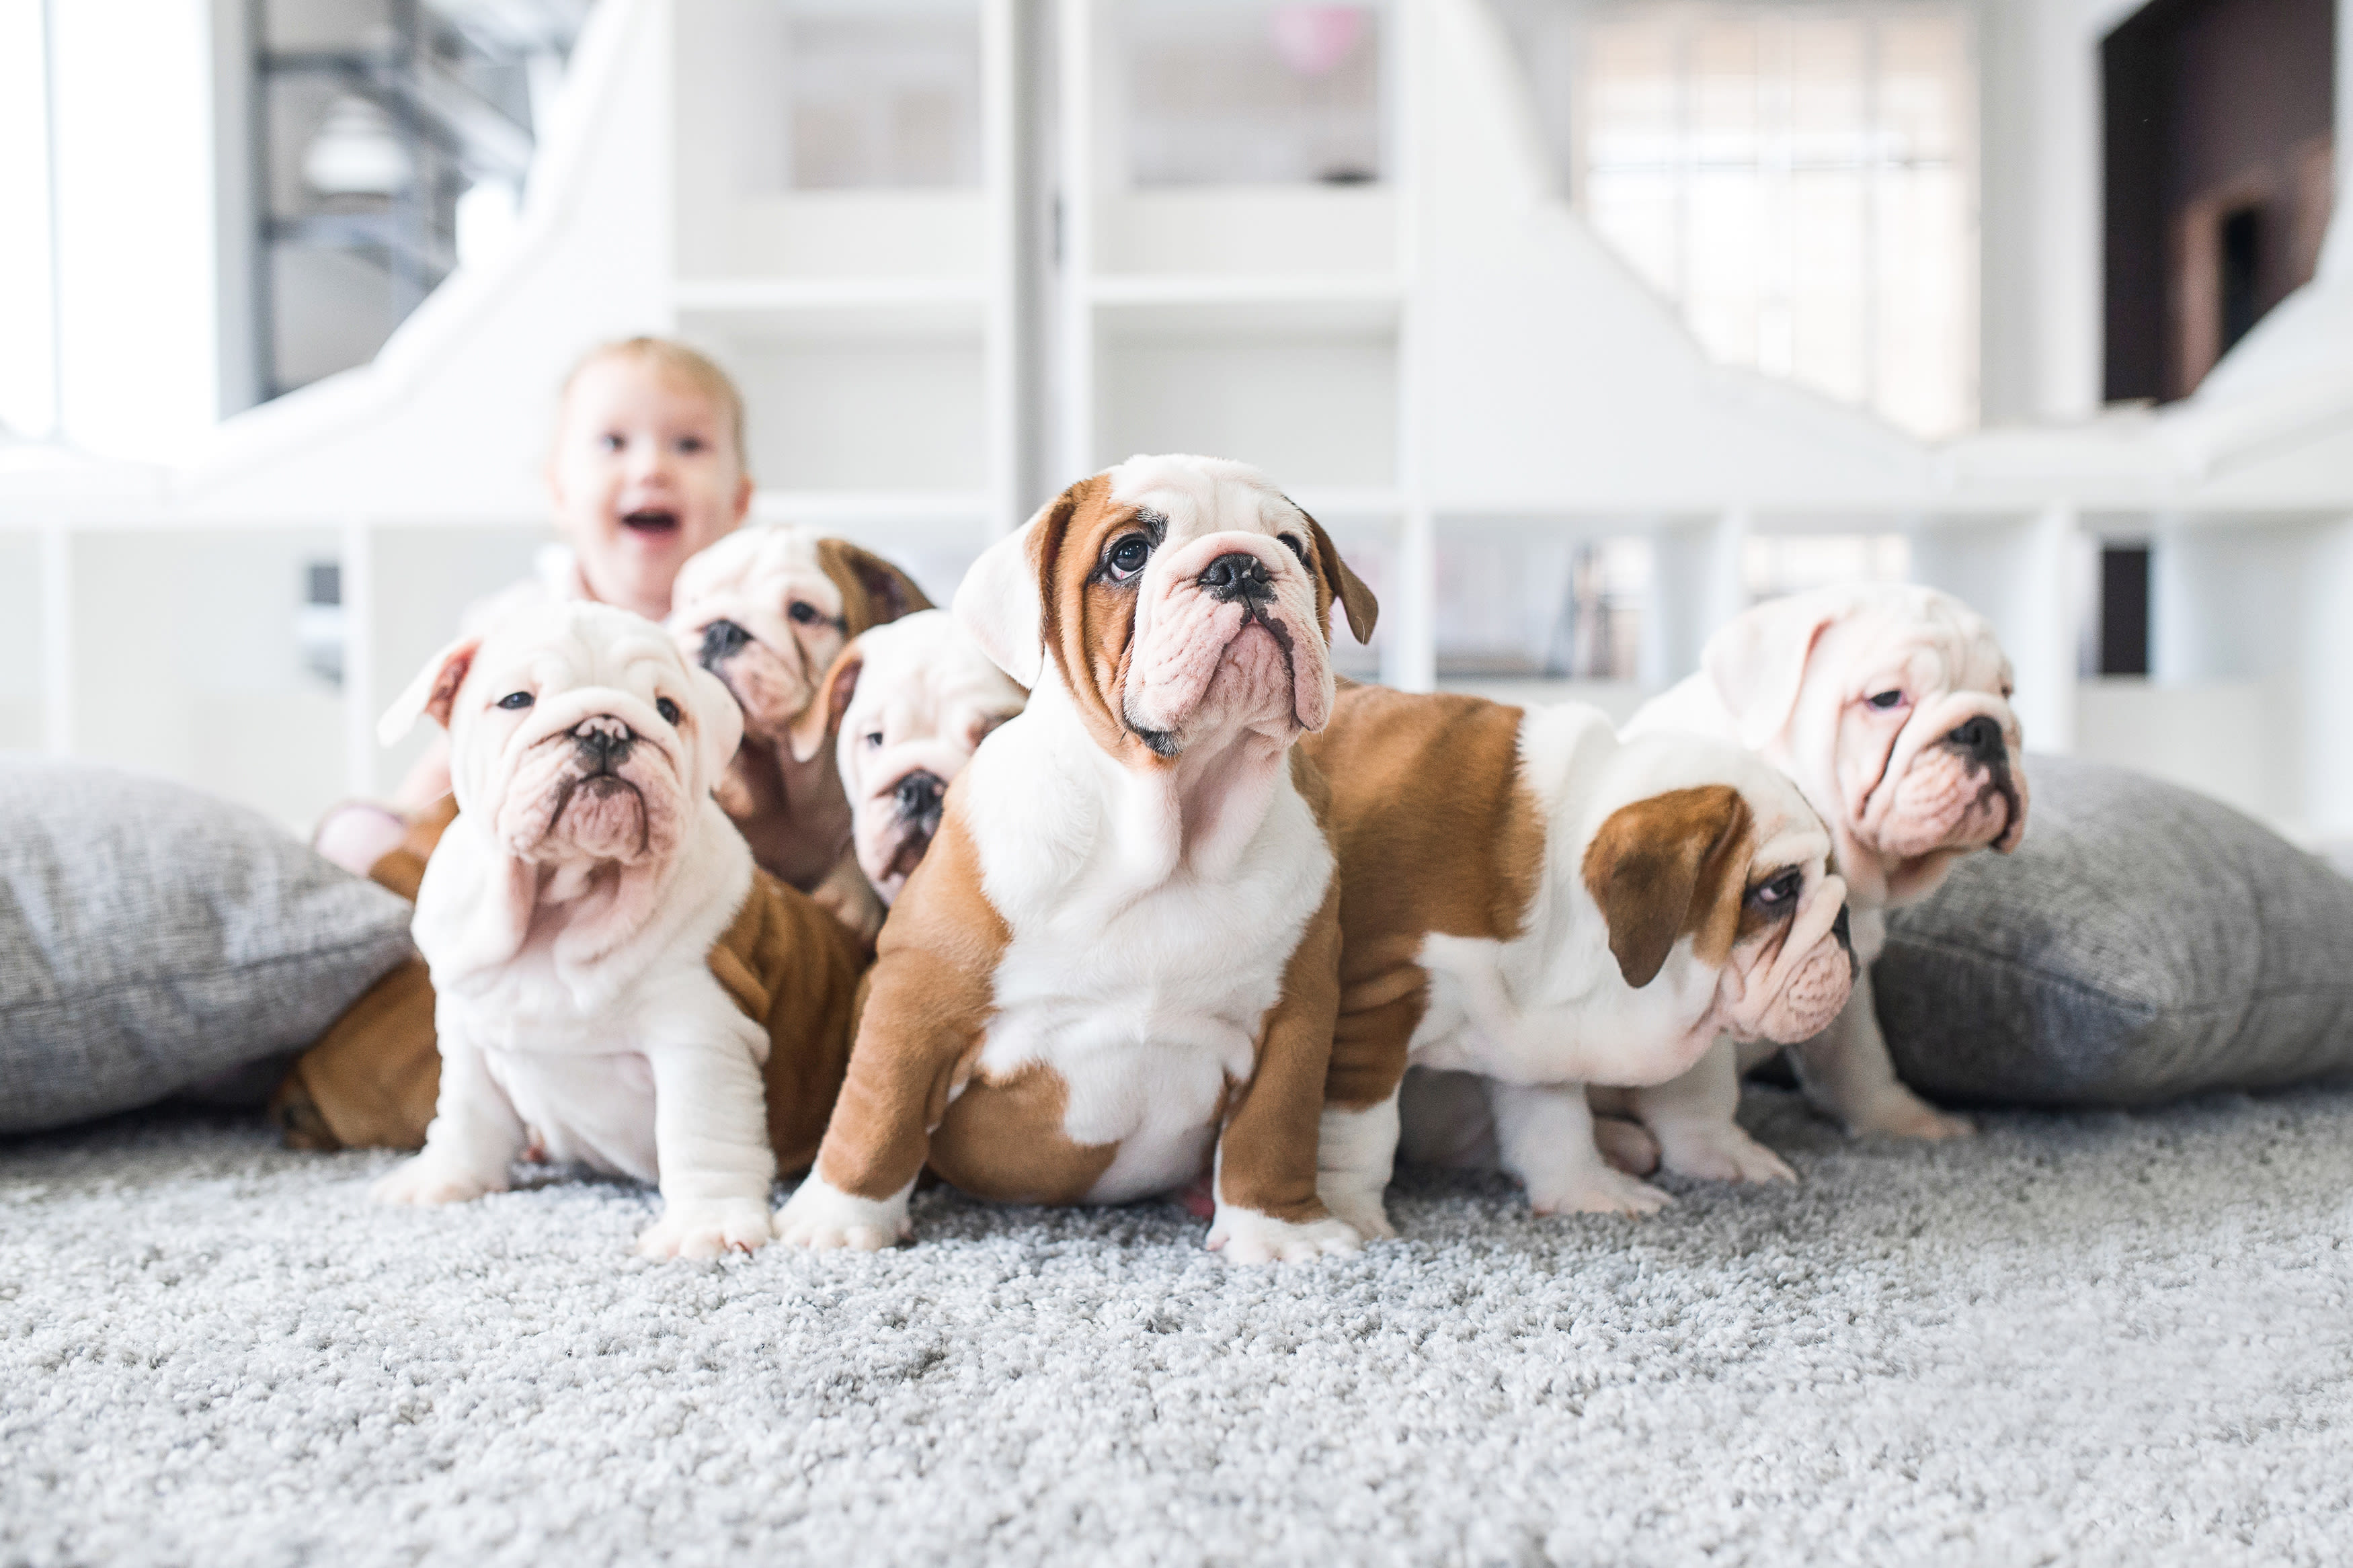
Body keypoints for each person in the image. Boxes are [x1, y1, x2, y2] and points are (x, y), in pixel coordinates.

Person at [313, 337, 753, 874]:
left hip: (677, 870)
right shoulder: (516, 621)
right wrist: (403, 822)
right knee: (365, 838)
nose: (651, 468)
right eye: (614, 443)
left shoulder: (740, 640)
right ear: (560, 492)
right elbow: (448, 762)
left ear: (739, 501)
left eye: (688, 445)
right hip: (525, 862)